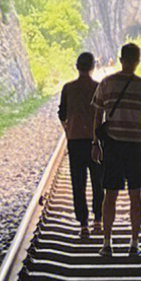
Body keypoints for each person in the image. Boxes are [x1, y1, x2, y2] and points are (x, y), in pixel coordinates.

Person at [91, 42, 141, 259]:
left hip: (113, 144)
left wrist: (96, 143)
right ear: (138, 61)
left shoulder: (106, 83)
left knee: (109, 194)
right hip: (136, 146)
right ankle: (134, 243)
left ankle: (107, 243)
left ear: (121, 59)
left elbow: (97, 116)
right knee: (135, 195)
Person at [58, 51, 104, 239]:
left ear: (77, 67)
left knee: (78, 183)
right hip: (96, 142)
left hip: (75, 140)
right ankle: (98, 221)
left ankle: (83, 225)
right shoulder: (99, 87)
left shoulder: (68, 88)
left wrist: (68, 130)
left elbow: (62, 114)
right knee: (98, 182)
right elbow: (105, 114)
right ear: (93, 67)